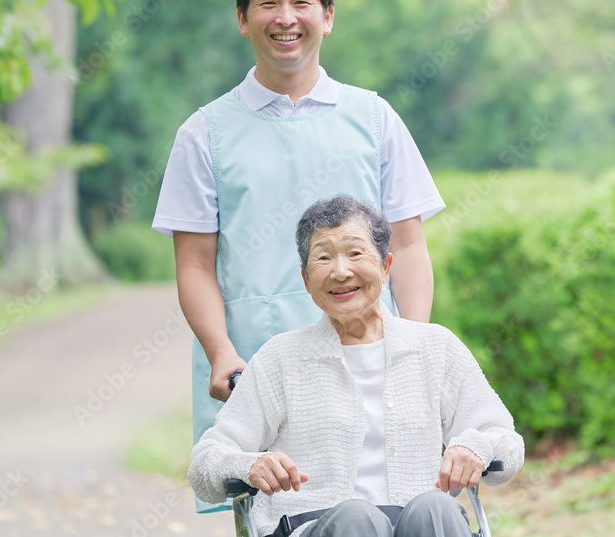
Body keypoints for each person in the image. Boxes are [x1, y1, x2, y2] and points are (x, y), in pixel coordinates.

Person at [152, 0, 445, 512]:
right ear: (242, 19)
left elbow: (408, 245)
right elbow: (193, 264)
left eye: (301, 2)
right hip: (256, 376)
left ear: (327, 16)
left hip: (370, 365)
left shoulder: (374, 118)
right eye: (267, 4)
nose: (285, 18)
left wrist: (415, 349)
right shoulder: (204, 133)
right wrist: (220, 353)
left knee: (388, 509)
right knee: (278, 514)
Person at [188, 195, 525, 536]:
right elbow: (205, 461)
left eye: (355, 253)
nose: (340, 271)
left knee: (436, 506)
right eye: (323, 258)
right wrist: (249, 464)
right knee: (356, 519)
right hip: (318, 525)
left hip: (423, 524)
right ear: (306, 280)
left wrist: (474, 446)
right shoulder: (281, 358)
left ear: (385, 266)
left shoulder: (435, 348)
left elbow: (505, 441)